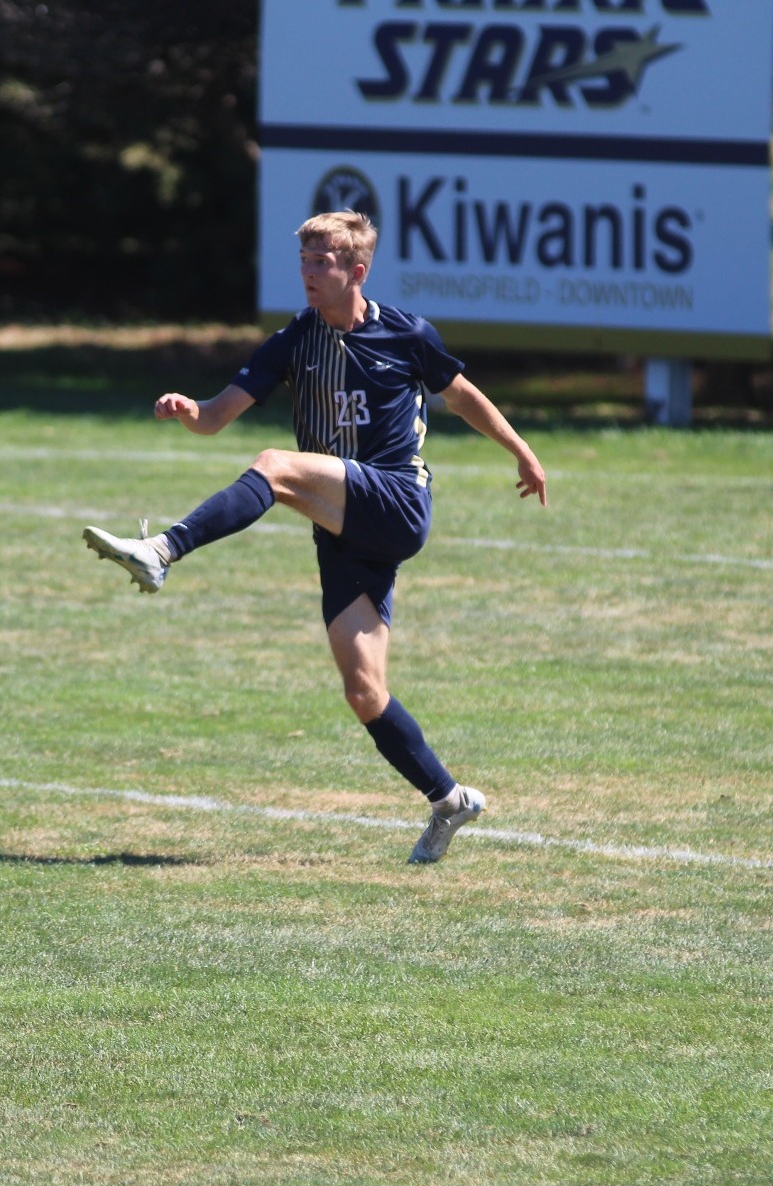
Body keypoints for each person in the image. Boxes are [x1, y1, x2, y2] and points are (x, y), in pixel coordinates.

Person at [83, 210, 547, 865]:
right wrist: (189, 411)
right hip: (341, 529)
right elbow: (217, 417)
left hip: (395, 499)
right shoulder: (293, 340)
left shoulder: (406, 333)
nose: (308, 274)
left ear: (357, 271)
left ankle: (162, 550)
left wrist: (521, 450)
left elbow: (462, 395)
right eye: (303, 262)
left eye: (321, 263)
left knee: (274, 464)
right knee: (364, 691)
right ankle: (448, 800)